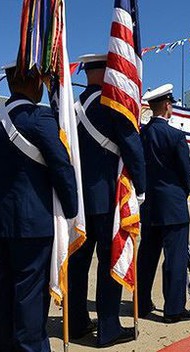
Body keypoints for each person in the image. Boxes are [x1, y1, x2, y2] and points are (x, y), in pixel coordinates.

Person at [0, 63, 78, 351]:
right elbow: (61, 166)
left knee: (4, 286)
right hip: (32, 220)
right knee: (30, 294)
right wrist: (72, 210)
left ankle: (5, 345)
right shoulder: (39, 118)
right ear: (35, 82)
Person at [68, 54, 146, 347]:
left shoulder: (70, 106)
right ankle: (109, 326)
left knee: (77, 266)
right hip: (107, 200)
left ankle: (75, 324)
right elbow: (131, 145)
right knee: (110, 263)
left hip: (77, 201)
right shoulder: (113, 102)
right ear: (107, 71)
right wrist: (140, 189)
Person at [137, 83, 190, 323]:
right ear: (168, 105)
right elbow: (186, 176)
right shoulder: (175, 136)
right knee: (175, 258)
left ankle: (140, 304)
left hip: (149, 206)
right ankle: (173, 309)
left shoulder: (140, 135)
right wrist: (180, 196)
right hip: (174, 207)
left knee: (146, 257)